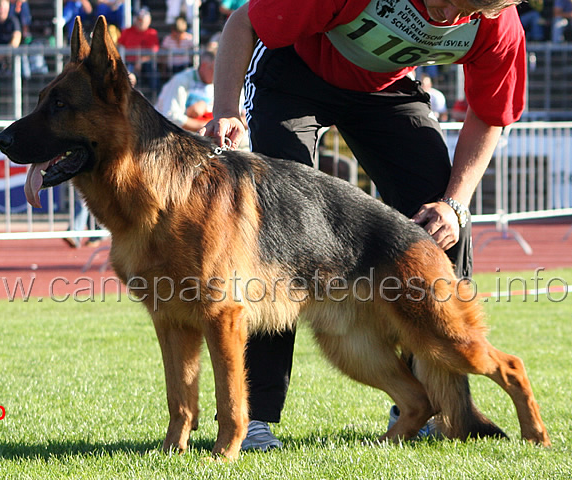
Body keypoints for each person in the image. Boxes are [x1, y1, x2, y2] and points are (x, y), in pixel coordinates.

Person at [202, 0, 526, 451]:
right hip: (294, 74)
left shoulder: (496, 25)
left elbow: (492, 112)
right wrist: (226, 109)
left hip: (385, 88)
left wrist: (455, 203)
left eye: (462, 9)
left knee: (442, 215)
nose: (447, 12)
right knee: (279, 224)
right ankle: (253, 416)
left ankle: (430, 401)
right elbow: (242, 23)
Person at [155, 50, 216, 132]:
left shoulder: (217, 84)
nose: (219, 75)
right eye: (216, 69)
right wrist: (207, 126)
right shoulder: (181, 80)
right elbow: (171, 117)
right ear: (204, 66)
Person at [118, 7, 160, 96]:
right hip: (129, 62)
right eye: (138, 19)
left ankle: (154, 95)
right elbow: (119, 47)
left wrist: (140, 61)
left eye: (142, 20)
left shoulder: (152, 33)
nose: (140, 22)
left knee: (153, 71)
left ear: (148, 20)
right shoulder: (127, 31)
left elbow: (154, 53)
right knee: (125, 73)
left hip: (146, 62)